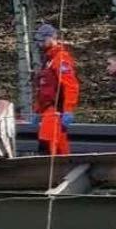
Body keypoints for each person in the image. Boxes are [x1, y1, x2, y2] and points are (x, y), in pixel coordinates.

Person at [32, 23, 79, 155]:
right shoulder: (48, 60)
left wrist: (68, 109)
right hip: (48, 111)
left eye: (43, 40)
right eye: (39, 41)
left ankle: (52, 174)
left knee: (47, 147)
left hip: (55, 112)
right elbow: (43, 89)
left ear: (53, 37)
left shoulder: (60, 58)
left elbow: (70, 85)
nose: (40, 44)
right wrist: (37, 110)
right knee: (59, 150)